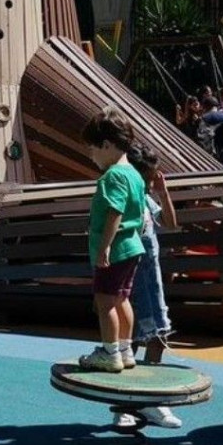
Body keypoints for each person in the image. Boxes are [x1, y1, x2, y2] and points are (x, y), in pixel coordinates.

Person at [77, 106, 147, 373]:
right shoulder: (135, 174)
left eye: (93, 149)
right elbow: (139, 211)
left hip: (114, 250)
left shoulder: (113, 176)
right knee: (121, 299)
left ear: (106, 145)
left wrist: (105, 246)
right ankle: (126, 349)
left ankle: (109, 352)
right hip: (132, 247)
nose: (91, 155)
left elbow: (115, 213)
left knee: (104, 301)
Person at [126, 142, 180, 429]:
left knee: (158, 337)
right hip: (132, 283)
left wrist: (163, 191)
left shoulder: (147, 200)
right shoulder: (126, 198)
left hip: (152, 282)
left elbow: (171, 223)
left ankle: (150, 397)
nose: (149, 182)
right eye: (147, 177)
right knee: (130, 342)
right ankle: (124, 402)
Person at [198, 95, 223, 162]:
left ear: (205, 108)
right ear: (217, 106)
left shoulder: (204, 119)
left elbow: (203, 140)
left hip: (218, 155)